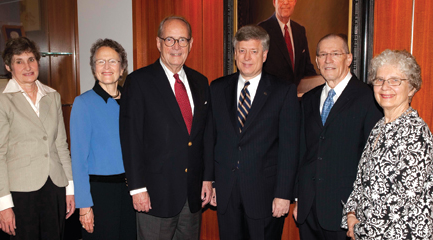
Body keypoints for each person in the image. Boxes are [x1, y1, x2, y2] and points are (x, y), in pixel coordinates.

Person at [119, 16, 213, 240]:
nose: (176, 46)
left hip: (192, 197)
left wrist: (207, 178)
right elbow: (131, 139)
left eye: (182, 40)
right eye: (170, 39)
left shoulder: (201, 82)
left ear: (191, 44)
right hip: (154, 196)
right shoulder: (139, 82)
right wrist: (137, 188)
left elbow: (205, 135)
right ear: (158, 43)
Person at [208, 25, 300, 240]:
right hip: (226, 191)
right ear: (235, 54)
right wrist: (211, 182)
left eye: (254, 51)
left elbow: (290, 147)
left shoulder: (283, 91)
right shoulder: (218, 88)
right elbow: (211, 138)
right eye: (242, 51)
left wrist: (283, 194)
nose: (247, 57)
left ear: (265, 55)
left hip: (265, 194)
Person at [0, 37, 75, 239]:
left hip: (54, 187)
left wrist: (70, 188)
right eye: (19, 61)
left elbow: (61, 145)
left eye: (31, 59)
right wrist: (3, 205)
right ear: (9, 66)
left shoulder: (53, 96)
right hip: (20, 192)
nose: (27, 66)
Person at [294, 34, 382, 240]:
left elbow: (372, 160)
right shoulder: (308, 99)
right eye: (322, 55)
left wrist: (361, 209)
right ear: (316, 61)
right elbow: (302, 151)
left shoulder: (369, 98)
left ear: (349, 58)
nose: (328, 60)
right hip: (308, 210)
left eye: (335, 54)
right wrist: (299, 197)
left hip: (346, 212)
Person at [342, 49, 433, 240]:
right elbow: (361, 182)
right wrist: (351, 214)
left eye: (395, 80)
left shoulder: (416, 132)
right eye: (379, 80)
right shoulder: (379, 126)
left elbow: (401, 204)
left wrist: (359, 230)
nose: (385, 87)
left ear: (412, 88)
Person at [70, 39, 136, 239]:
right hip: (99, 195)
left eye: (113, 61)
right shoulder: (83, 103)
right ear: (93, 68)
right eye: (100, 62)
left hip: (132, 192)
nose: (107, 67)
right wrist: (84, 206)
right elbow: (78, 161)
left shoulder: (133, 101)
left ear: (122, 68)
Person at [258, 0, 317, 86]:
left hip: (297, 96)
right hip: (272, 95)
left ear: (295, 2)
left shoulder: (300, 31)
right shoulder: (261, 30)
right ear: (274, 2)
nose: (286, 2)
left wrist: (320, 85)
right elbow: (257, 70)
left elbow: (307, 67)